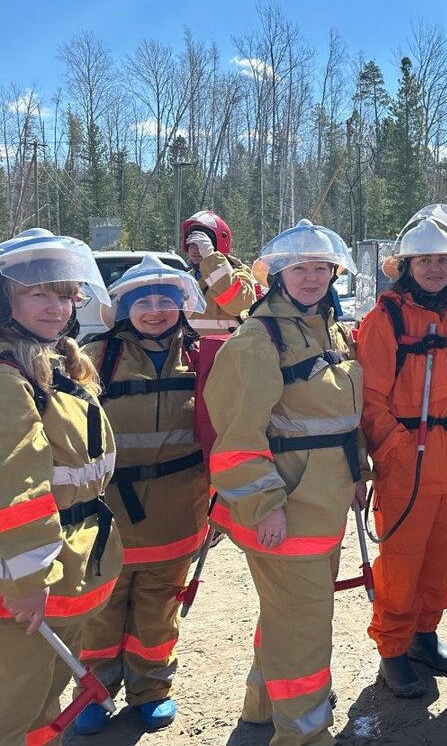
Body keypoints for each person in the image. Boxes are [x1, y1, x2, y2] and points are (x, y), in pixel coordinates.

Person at [208, 220, 366, 746]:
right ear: (277, 275)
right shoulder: (258, 339)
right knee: (304, 629)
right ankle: (304, 736)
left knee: (286, 616)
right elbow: (236, 436)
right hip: (287, 508)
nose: (312, 277)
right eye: (301, 268)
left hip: (326, 505)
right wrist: (264, 506)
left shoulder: (330, 330)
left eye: (322, 268)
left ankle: (262, 709)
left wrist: (358, 477)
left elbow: (343, 419)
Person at [75, 257, 209, 735]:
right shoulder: (93, 356)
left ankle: (152, 689)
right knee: (101, 607)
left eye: (165, 301)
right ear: (124, 308)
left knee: (159, 605)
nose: (155, 310)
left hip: (179, 506)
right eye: (142, 302)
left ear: (182, 306)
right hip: (110, 510)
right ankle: (94, 691)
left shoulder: (200, 355)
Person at [0, 228, 124, 746]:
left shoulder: (59, 365)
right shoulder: (9, 378)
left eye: (64, 293)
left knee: (43, 712)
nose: (55, 306)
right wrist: (27, 580)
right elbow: (17, 488)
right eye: (37, 293)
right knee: (14, 713)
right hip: (27, 586)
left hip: (68, 568)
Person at [358, 212, 447, 698]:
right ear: (406, 265)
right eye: (425, 260)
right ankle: (393, 649)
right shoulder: (385, 318)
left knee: (440, 559)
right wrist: (396, 450)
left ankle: (423, 636)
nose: (434, 268)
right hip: (408, 462)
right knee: (402, 564)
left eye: (442, 260)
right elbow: (371, 399)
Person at [180, 210, 257, 333]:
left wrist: (211, 257)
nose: (195, 249)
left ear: (215, 245)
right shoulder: (188, 278)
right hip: (197, 349)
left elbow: (239, 306)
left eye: (201, 244)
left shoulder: (239, 274)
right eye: (192, 243)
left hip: (229, 349)